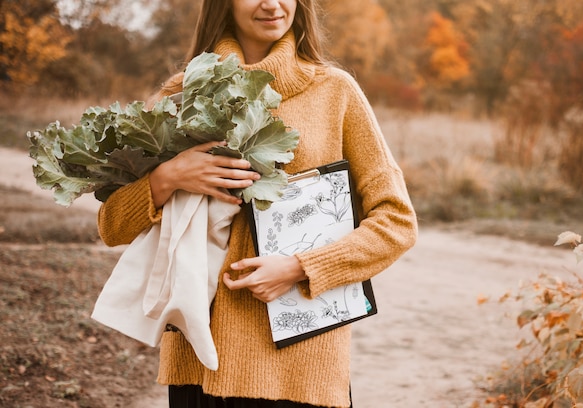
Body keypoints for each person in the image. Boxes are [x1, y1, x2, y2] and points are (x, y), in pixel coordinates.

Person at [97, 0, 418, 407]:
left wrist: (300, 268)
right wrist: (168, 177)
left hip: (301, 368)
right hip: (200, 367)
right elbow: (111, 225)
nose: (271, 3)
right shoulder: (181, 93)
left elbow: (397, 222)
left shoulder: (335, 92)